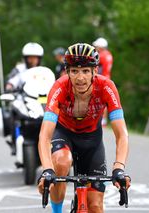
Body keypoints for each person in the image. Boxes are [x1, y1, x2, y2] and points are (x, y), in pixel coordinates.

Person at [37, 43, 130, 213]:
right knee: (61, 161)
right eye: (74, 71)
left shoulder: (107, 87)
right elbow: (44, 136)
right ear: (67, 72)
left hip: (92, 140)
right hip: (64, 133)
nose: (80, 78)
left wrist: (119, 167)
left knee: (95, 206)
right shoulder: (59, 87)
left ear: (95, 71)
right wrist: (47, 170)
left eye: (86, 71)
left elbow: (121, 134)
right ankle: (56, 211)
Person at [93, 37, 114, 126]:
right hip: (107, 78)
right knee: (104, 100)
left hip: (101, 79)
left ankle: (99, 119)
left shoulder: (101, 55)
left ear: (101, 47)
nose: (95, 48)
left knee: (98, 100)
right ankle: (103, 120)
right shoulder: (109, 54)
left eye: (97, 46)